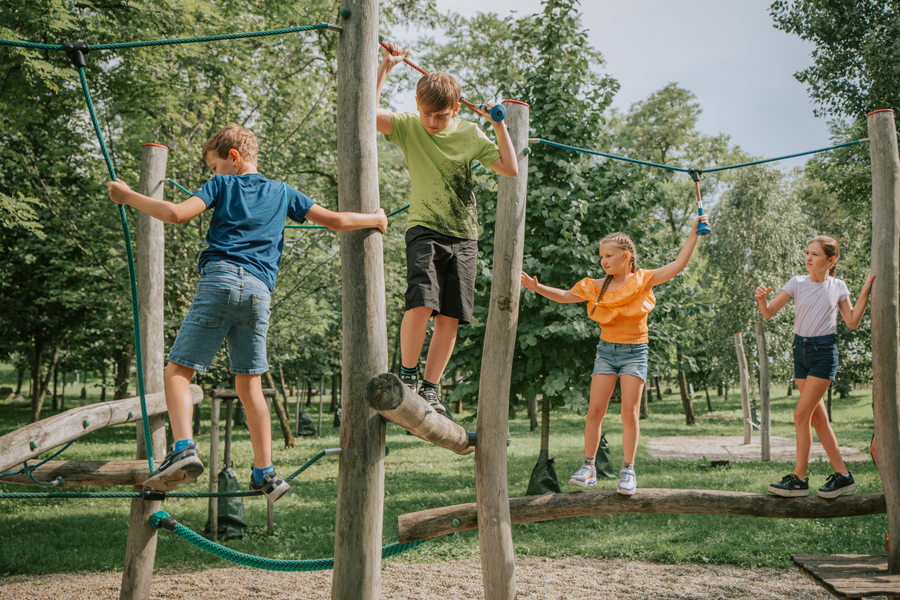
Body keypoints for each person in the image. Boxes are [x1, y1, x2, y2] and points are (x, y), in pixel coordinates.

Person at [107, 125, 387, 501]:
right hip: (258, 293)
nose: (213, 173)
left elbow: (175, 214)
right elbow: (336, 221)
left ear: (233, 158)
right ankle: (265, 472)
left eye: (214, 165)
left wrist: (128, 196)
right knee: (249, 384)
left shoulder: (221, 186)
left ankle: (184, 448)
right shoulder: (283, 191)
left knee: (177, 372)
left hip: (220, 280)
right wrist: (376, 220)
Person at [375, 44, 518, 413]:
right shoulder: (409, 126)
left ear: (455, 109)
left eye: (440, 115)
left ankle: (431, 387)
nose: (432, 122)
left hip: (464, 235)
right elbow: (367, 112)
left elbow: (509, 167)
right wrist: (386, 67)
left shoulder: (469, 133)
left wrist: (498, 124)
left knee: (451, 316)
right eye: (427, 114)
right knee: (422, 302)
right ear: (417, 106)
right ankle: (407, 374)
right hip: (424, 228)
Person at [520, 216, 709, 495]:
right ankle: (589, 467)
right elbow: (565, 295)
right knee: (595, 411)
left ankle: (628, 469)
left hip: (635, 352)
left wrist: (693, 234)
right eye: (601, 257)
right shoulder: (598, 286)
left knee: (629, 413)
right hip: (606, 352)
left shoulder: (644, 279)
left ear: (626, 256)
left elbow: (679, 265)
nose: (603, 261)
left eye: (609, 255)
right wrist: (537, 287)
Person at [755, 235, 874, 499]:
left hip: (823, 353)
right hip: (801, 352)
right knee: (816, 418)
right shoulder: (797, 283)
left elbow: (852, 321)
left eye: (815, 255)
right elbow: (769, 312)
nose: (808, 258)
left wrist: (865, 290)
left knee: (801, 415)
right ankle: (843, 476)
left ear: (831, 260)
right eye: (807, 253)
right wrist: (762, 299)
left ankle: (799, 479)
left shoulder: (838, 286)